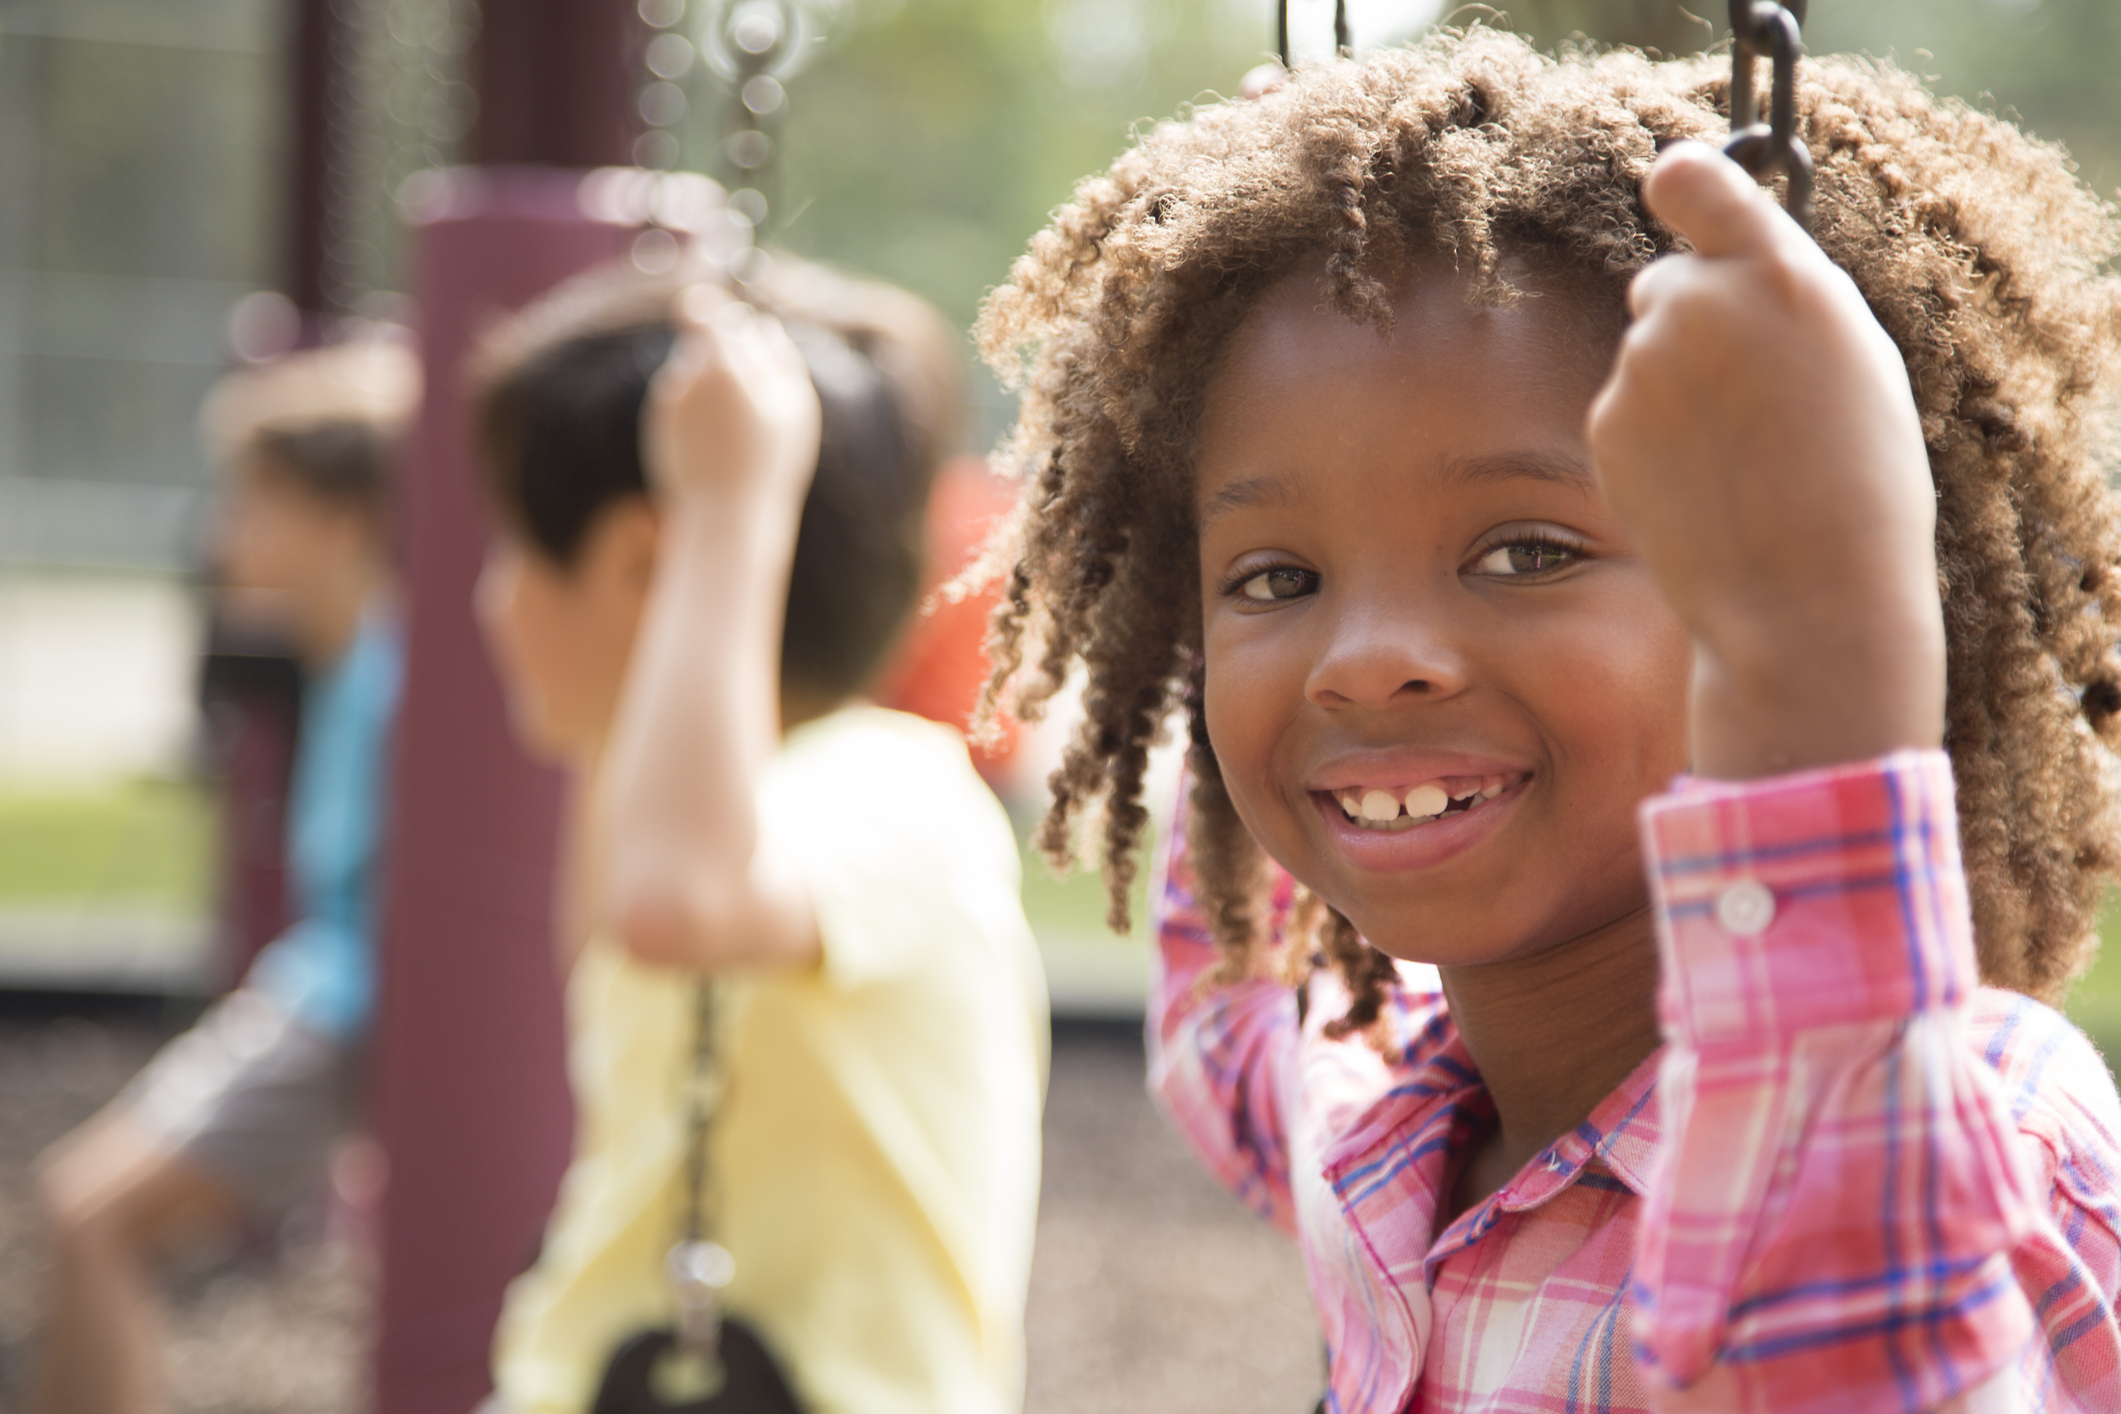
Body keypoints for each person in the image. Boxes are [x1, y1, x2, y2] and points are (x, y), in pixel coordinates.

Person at [974, 30, 2121, 1412]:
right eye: (1276, 577)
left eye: (1526, 550)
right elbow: (1230, 998)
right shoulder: (1387, 1117)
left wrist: (1827, 689)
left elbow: (1862, 1362)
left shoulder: (1973, 1124)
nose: (1365, 660)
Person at [471, 254, 1049, 1414]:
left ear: (644, 561)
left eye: (520, 549)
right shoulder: (695, 816)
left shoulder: (894, 791)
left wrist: (726, 511)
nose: (494, 596)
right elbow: (619, 937)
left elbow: (676, 901)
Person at [35, 337, 413, 1414]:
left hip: (335, 1011)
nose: (224, 534)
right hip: (320, 1000)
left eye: (258, 503)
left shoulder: (394, 674)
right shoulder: (353, 659)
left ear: (346, 522)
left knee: (89, 1214)